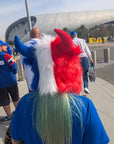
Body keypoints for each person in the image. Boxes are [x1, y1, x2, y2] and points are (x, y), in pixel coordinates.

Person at [10, 29, 109, 144]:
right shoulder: (85, 107)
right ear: (70, 67)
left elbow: (15, 140)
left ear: (36, 69)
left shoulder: (24, 104)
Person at [0, 40, 19, 123]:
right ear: (0, 47)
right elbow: (14, 67)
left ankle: (9, 116)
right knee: (15, 98)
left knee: (5, 101)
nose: (6, 47)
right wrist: (13, 73)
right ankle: (19, 113)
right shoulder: (7, 56)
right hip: (11, 81)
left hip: (1, 84)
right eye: (4, 45)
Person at [16, 27, 41, 92]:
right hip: (46, 83)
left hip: (31, 81)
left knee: (32, 100)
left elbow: (23, 63)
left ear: (30, 35)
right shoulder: (46, 44)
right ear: (39, 34)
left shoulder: (25, 45)